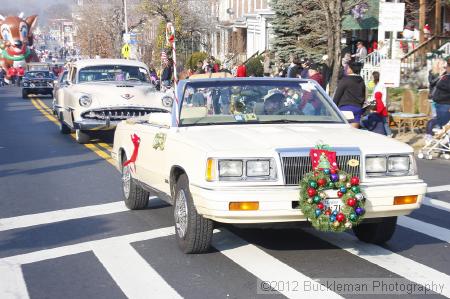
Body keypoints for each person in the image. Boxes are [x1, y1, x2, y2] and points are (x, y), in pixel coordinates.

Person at [333, 61, 366, 128]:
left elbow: (337, 95)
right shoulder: (361, 80)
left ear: (351, 69)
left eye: (347, 68)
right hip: (357, 108)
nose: (346, 69)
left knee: (344, 132)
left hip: (345, 108)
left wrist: (333, 107)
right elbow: (363, 95)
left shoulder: (345, 80)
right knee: (353, 132)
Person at [430, 59, 450, 127]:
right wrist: (440, 76)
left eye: (446, 66)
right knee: (438, 120)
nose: (445, 67)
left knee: (443, 125)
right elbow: (432, 82)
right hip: (438, 100)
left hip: (444, 103)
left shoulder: (446, 75)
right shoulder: (433, 73)